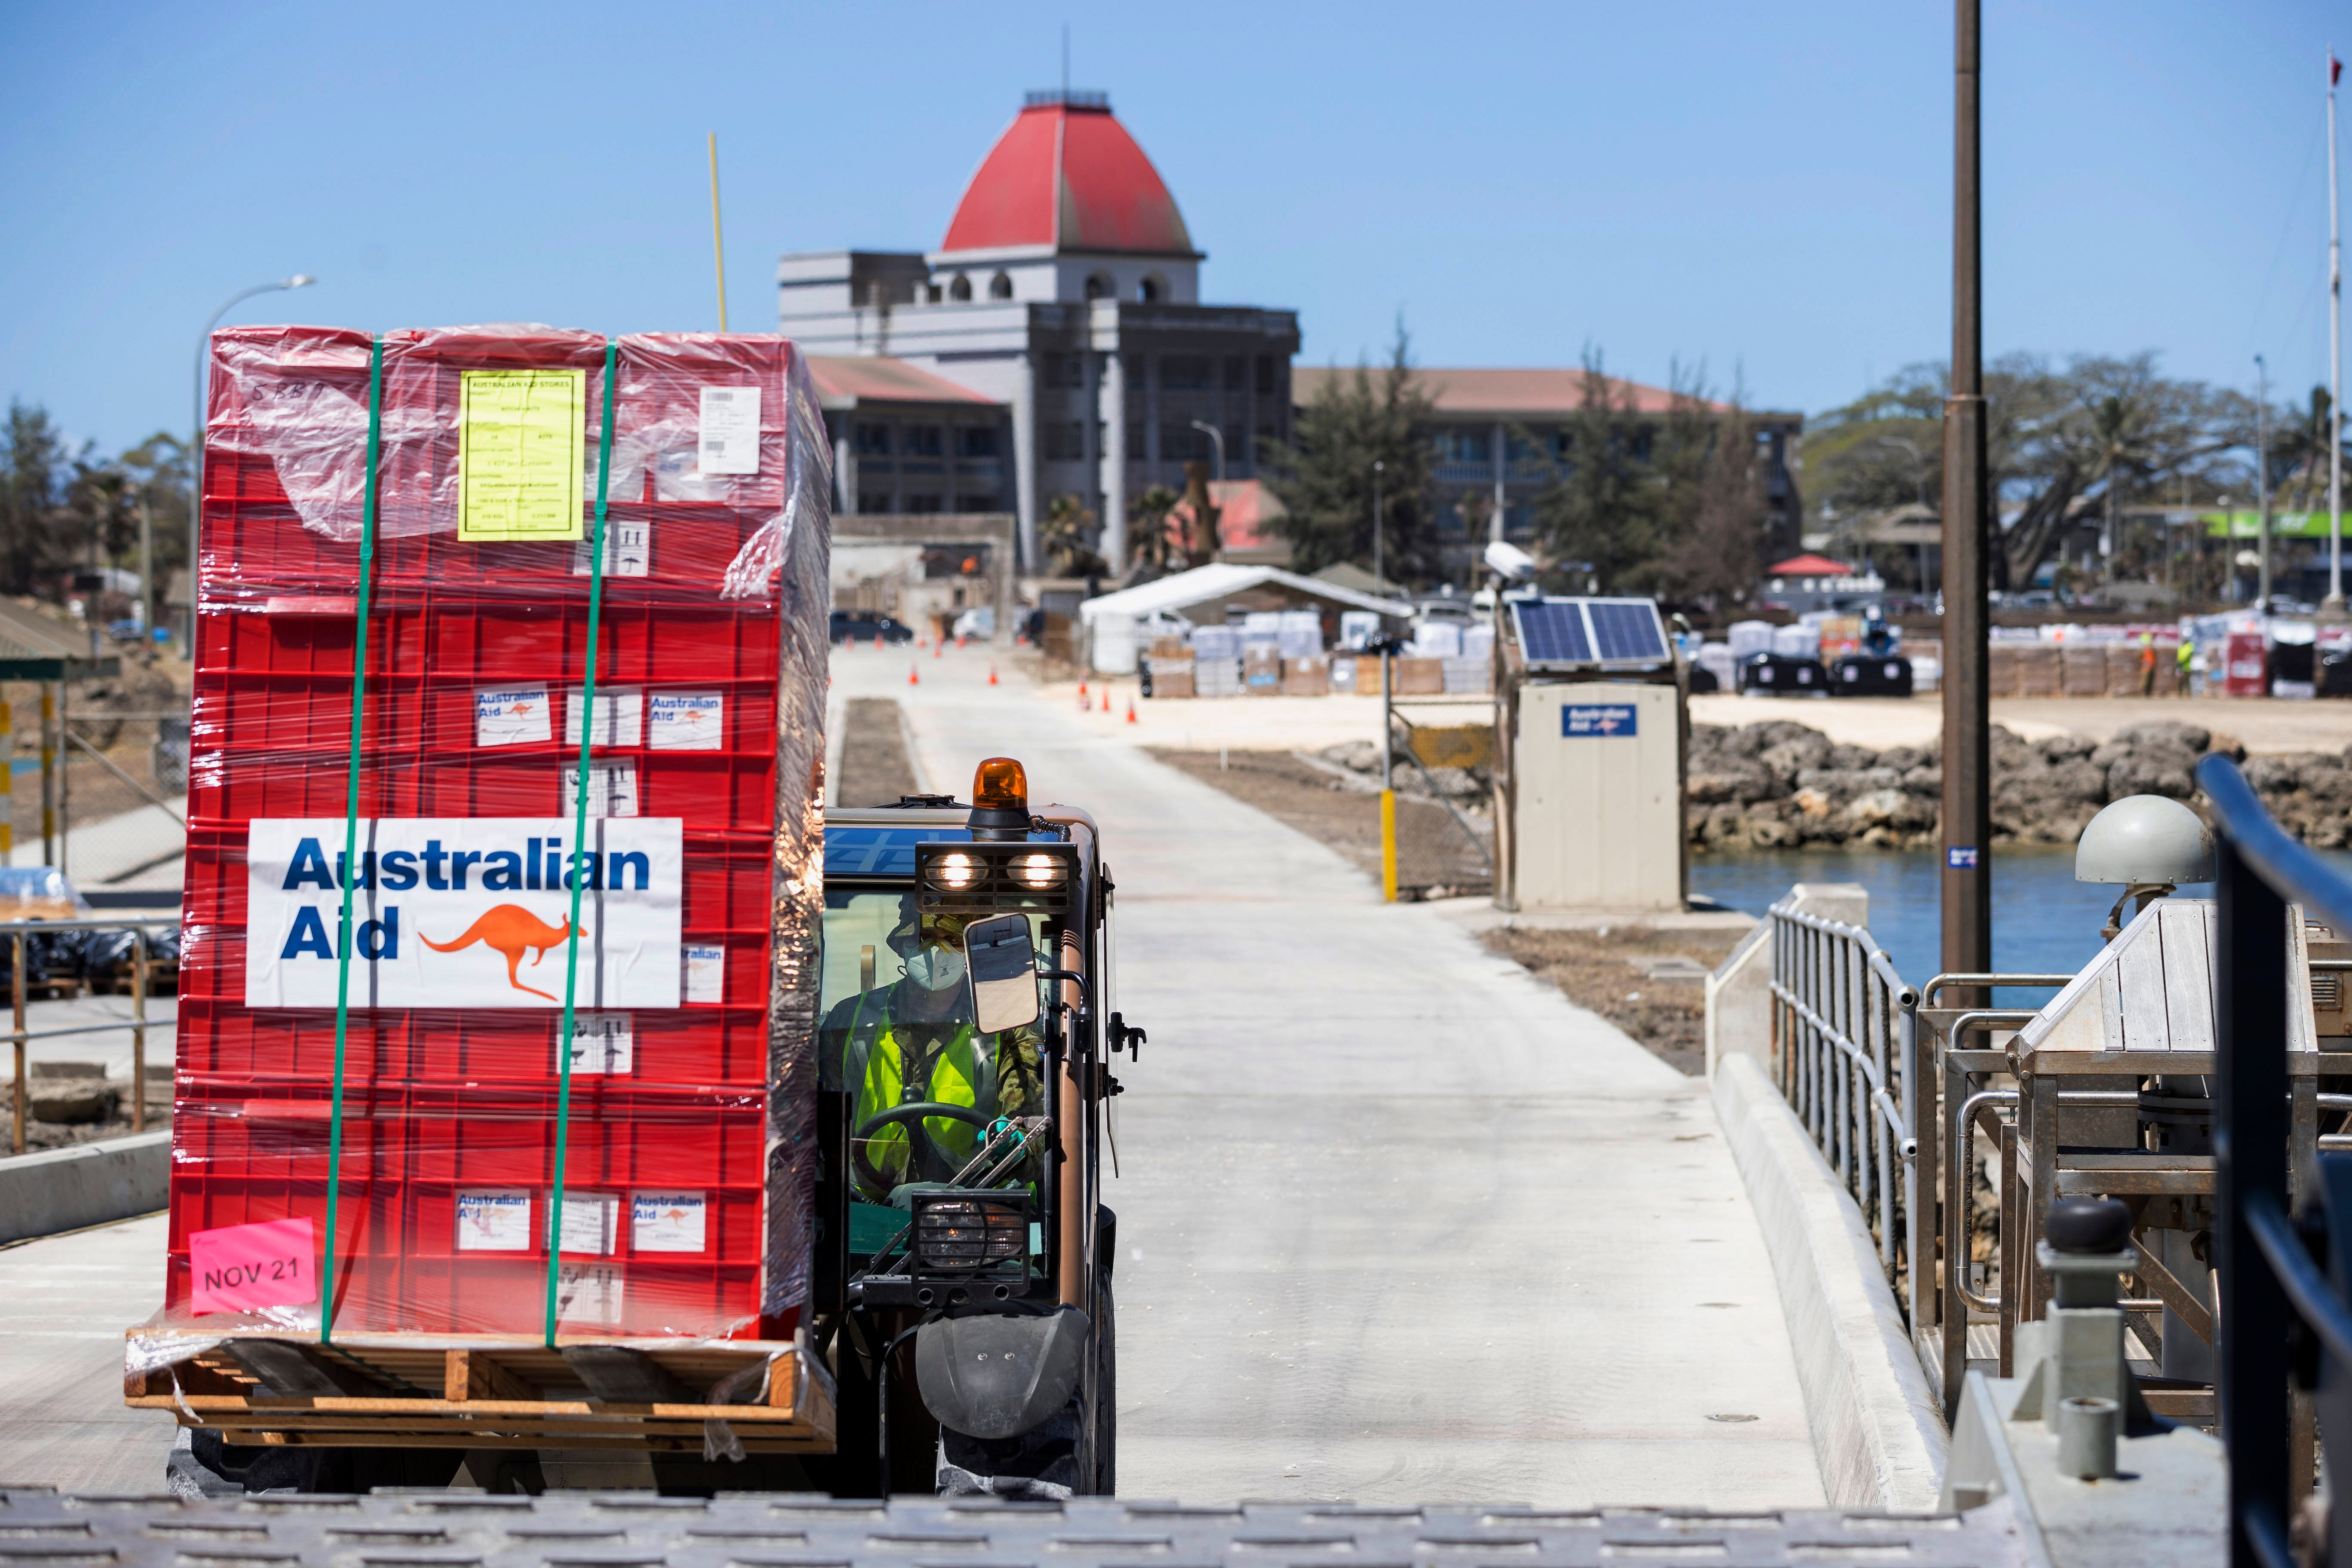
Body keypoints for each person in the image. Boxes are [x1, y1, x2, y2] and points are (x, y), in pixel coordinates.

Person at [818, 897, 1045, 1202]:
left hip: (977, 1213)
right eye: (924, 940)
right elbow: (807, 1116)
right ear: (904, 945)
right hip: (858, 1213)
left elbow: (1036, 1123)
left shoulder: (1009, 1026)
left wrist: (1016, 1142)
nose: (937, 953)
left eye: (953, 940)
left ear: (973, 953)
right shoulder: (850, 1021)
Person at [2139, 631, 2157, 697]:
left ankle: (2148, 694)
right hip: (2145, 668)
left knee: (2150, 681)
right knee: (2144, 681)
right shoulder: (2144, 650)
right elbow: (2138, 656)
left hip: (2152, 667)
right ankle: (2142, 694)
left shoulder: (2153, 650)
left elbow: (2155, 658)